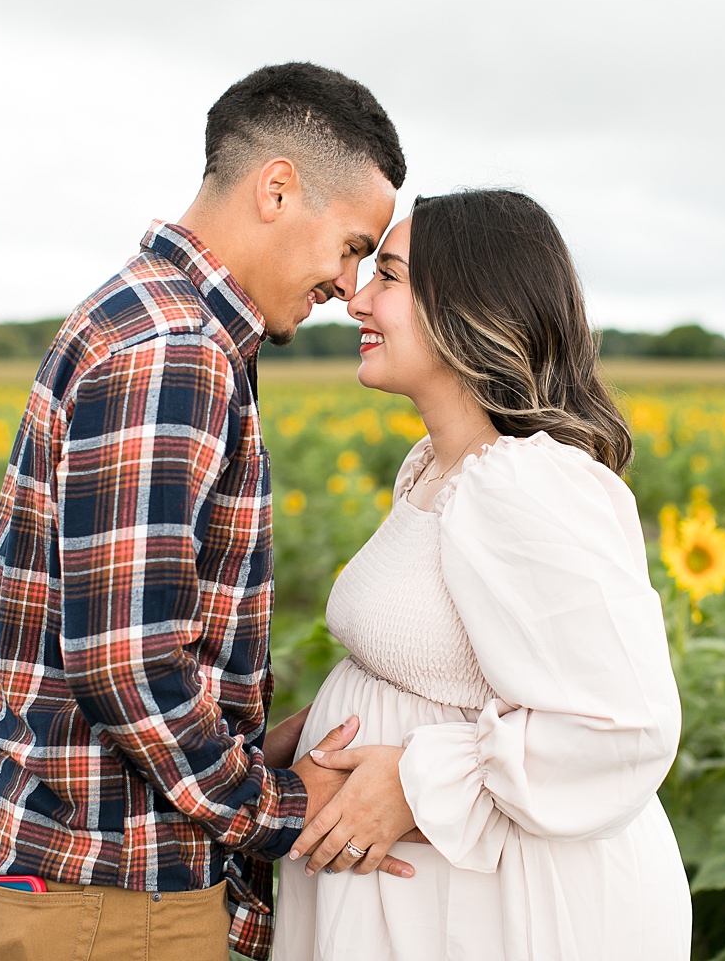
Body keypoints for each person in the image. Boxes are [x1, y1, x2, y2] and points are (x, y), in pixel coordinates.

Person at [0, 62, 413, 961]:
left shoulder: (149, 320)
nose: (349, 288)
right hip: (113, 896)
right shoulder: (176, 349)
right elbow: (124, 660)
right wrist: (284, 807)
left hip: (95, 880)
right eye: (354, 245)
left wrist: (263, 746)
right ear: (277, 189)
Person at [272, 190, 692, 960]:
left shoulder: (527, 483)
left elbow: (621, 724)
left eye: (389, 277)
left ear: (469, 306)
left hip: (506, 906)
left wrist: (417, 781)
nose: (356, 298)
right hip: (439, 890)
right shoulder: (433, 469)